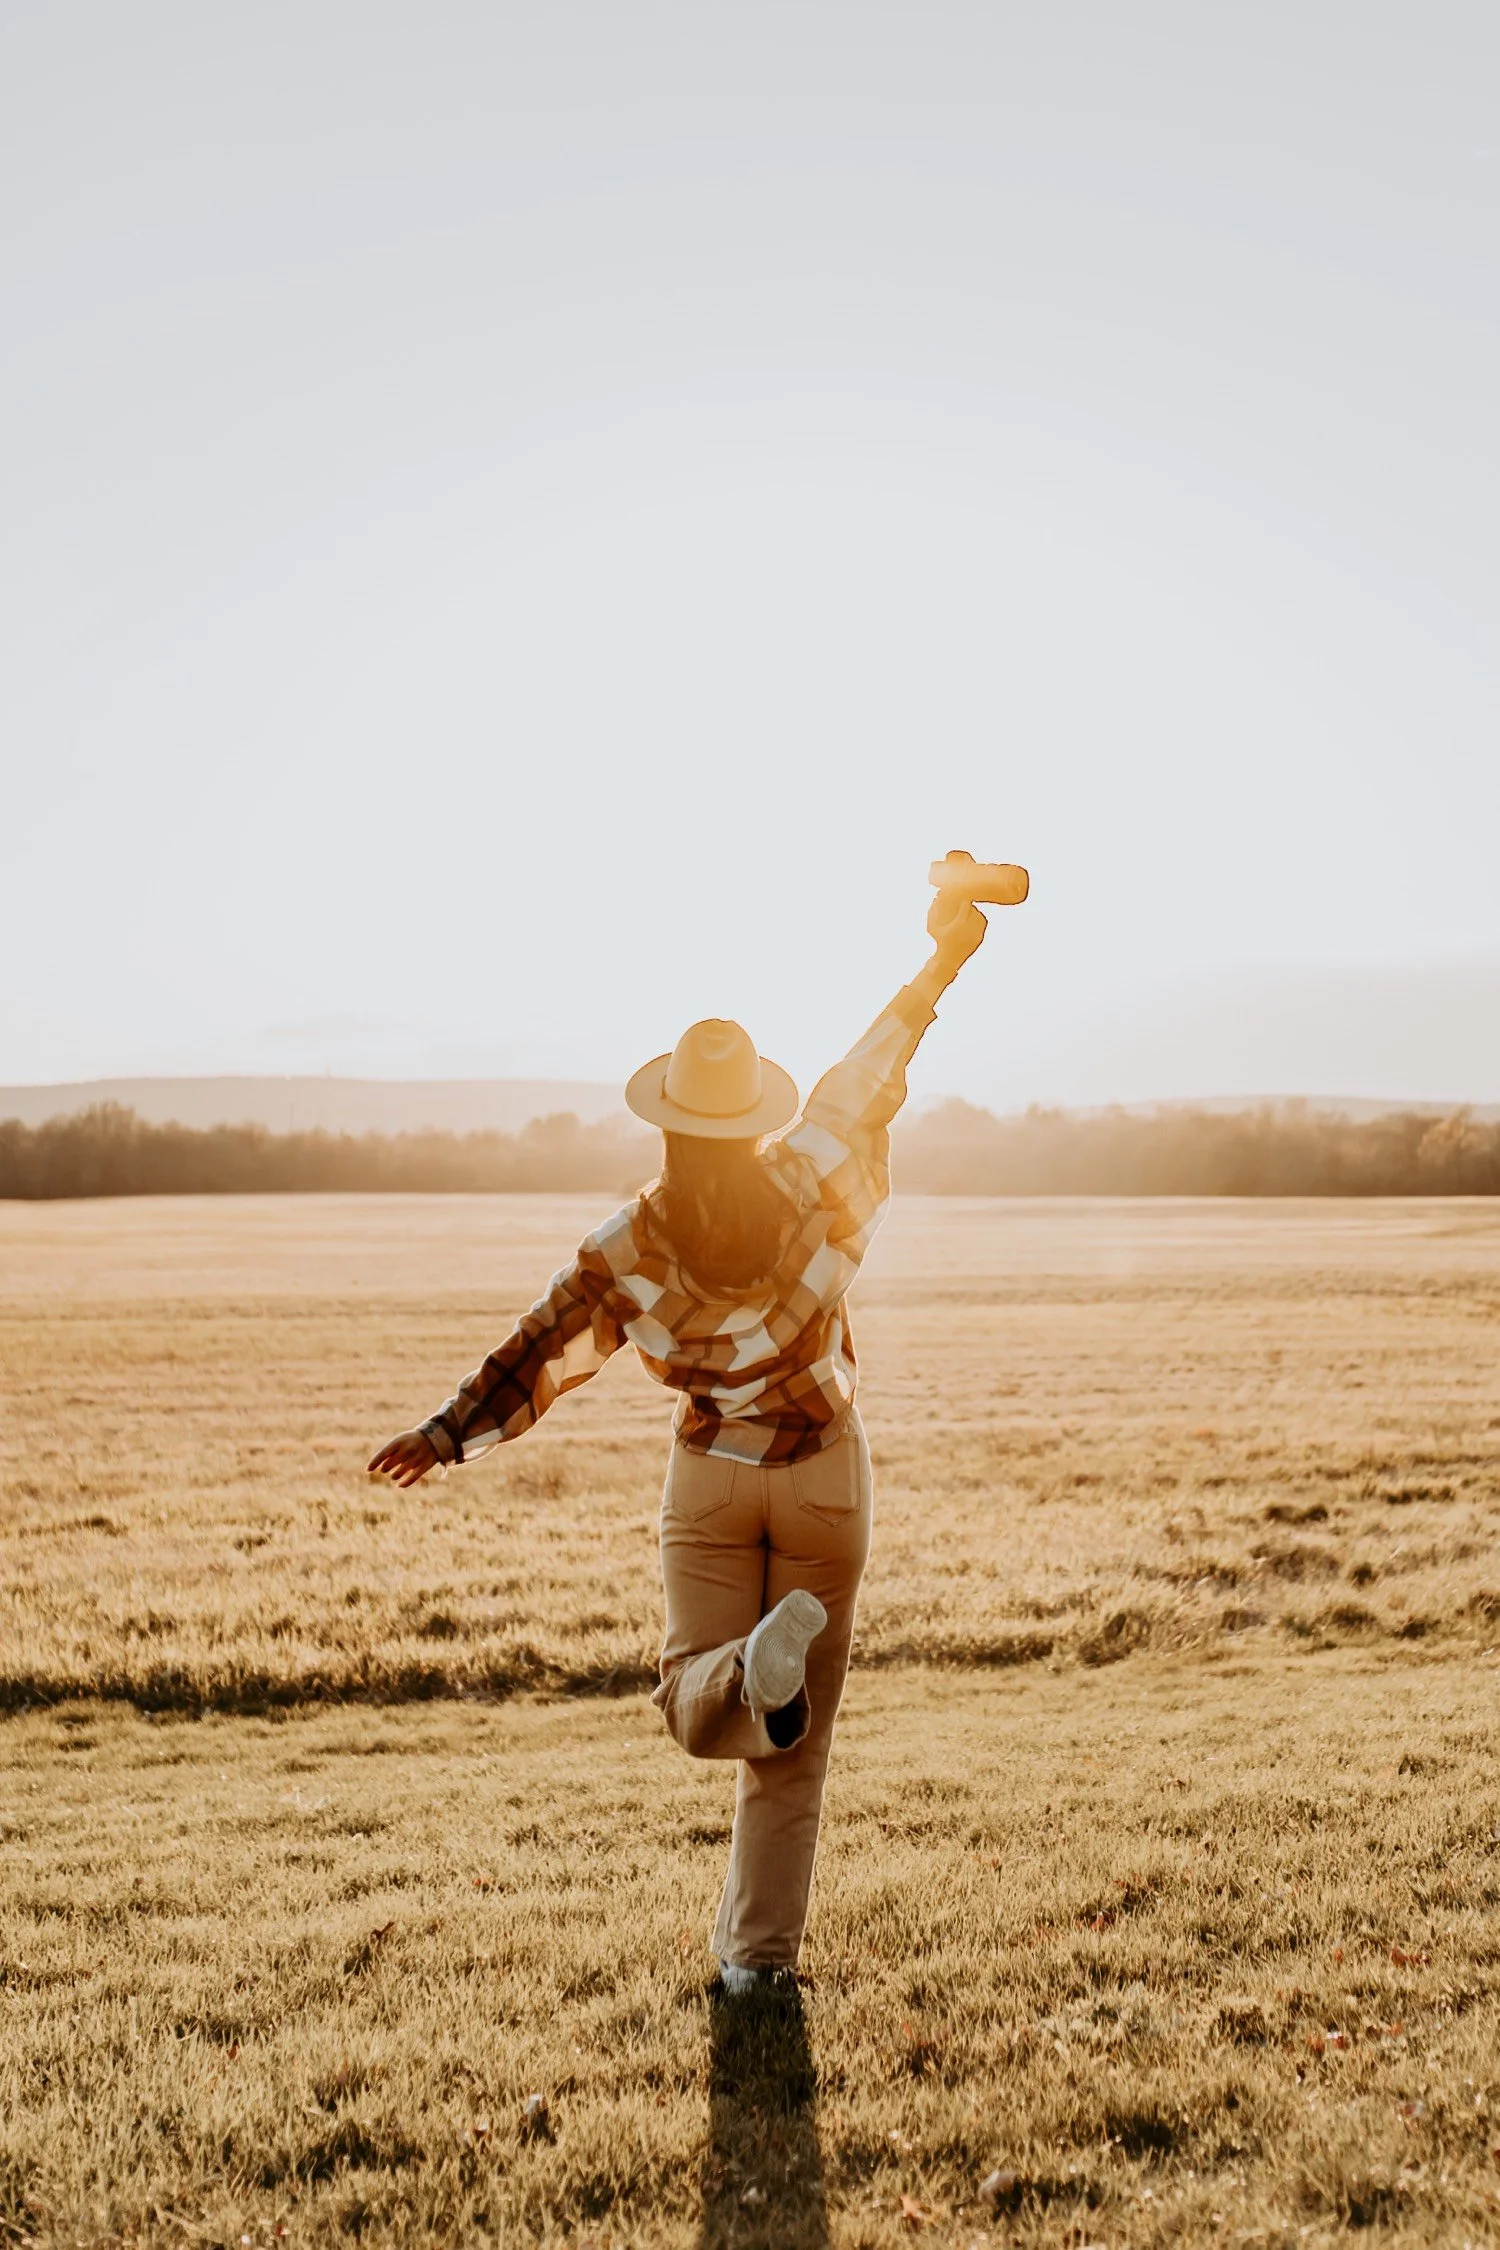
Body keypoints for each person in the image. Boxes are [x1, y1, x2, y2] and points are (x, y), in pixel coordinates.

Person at [368, 884, 989, 1987]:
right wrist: (941, 960)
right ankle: (758, 1966)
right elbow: (869, 1075)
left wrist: (449, 1431)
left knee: (697, 1707)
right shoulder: (812, 1178)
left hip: (710, 1480)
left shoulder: (629, 1243)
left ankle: (746, 1671)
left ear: (664, 1122)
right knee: (790, 1751)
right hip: (824, 1479)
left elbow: (541, 1350)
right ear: (755, 1118)